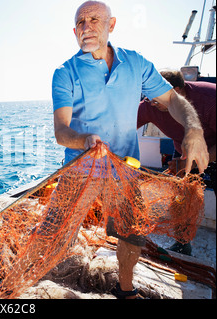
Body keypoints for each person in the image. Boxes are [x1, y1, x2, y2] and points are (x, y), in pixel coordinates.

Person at [52, 1, 209, 299]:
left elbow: (172, 100)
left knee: (132, 233)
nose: (87, 27)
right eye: (81, 22)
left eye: (95, 19)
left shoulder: (135, 63)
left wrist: (194, 129)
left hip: (124, 167)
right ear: (74, 31)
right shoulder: (64, 73)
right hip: (79, 170)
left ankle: (124, 289)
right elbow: (61, 131)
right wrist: (84, 139)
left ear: (111, 25)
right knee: (55, 233)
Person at [138, 70, 216, 255]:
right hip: (184, 149)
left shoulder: (209, 100)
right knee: (181, 196)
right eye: (150, 98)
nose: (153, 103)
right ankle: (182, 242)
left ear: (179, 91)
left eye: (158, 98)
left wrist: (192, 162)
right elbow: (123, 128)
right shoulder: (151, 104)